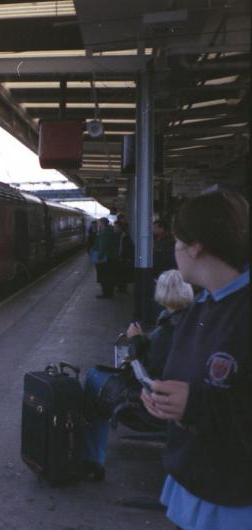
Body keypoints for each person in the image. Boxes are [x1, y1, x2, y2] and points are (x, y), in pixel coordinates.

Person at [141, 189, 251, 529]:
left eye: (177, 241)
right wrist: (160, 396)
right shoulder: (200, 306)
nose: (174, 250)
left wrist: (194, 405)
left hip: (235, 498)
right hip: (194, 481)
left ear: (196, 247)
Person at [81, 269, 194, 480]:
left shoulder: (167, 331)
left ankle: (92, 459)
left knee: (94, 378)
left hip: (148, 405)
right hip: (178, 402)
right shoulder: (191, 320)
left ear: (161, 292)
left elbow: (147, 370)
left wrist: (135, 339)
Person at [93, 217, 118, 298]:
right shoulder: (109, 231)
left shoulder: (104, 233)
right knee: (108, 276)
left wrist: (99, 257)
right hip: (110, 257)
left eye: (99, 223)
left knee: (104, 277)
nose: (98, 225)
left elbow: (102, 246)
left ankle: (106, 294)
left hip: (105, 258)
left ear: (102, 223)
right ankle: (109, 293)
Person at [114, 221, 134, 293]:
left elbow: (129, 248)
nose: (114, 228)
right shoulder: (117, 236)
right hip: (119, 258)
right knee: (120, 274)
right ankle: (121, 287)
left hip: (123, 258)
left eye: (116, 227)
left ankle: (122, 288)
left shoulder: (125, 237)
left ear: (120, 228)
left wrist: (128, 258)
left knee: (122, 274)